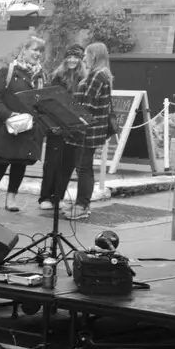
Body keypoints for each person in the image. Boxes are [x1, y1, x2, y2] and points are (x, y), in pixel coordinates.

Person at [0, 40, 44, 213]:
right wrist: (8, 115)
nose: (37, 54)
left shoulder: (41, 75)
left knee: (20, 163)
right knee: (0, 162)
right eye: (34, 49)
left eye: (40, 51)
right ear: (24, 51)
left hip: (29, 127)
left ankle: (11, 197)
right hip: (7, 126)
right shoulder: (7, 71)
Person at [37, 44, 86, 213]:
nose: (72, 60)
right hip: (57, 125)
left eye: (76, 57)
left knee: (68, 164)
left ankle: (57, 197)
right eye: (69, 57)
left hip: (74, 129)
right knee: (52, 162)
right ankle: (45, 197)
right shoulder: (57, 77)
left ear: (81, 60)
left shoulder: (84, 79)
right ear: (65, 59)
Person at [70, 41, 115, 221]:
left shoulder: (97, 75)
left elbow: (87, 105)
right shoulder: (103, 74)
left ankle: (82, 206)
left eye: (86, 54)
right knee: (85, 167)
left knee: (83, 168)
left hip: (87, 130)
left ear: (93, 56)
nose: (83, 58)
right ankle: (82, 205)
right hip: (94, 129)